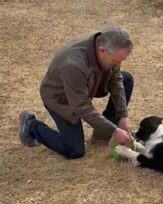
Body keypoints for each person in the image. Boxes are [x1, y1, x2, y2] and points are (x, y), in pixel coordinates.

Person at [18, 27, 134, 159]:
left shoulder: (109, 46)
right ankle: (31, 125)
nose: (117, 65)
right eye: (115, 61)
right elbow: (82, 107)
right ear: (102, 51)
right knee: (74, 150)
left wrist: (123, 116)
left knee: (126, 79)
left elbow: (116, 80)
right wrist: (114, 130)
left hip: (86, 85)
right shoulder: (74, 64)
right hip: (61, 98)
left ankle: (102, 135)